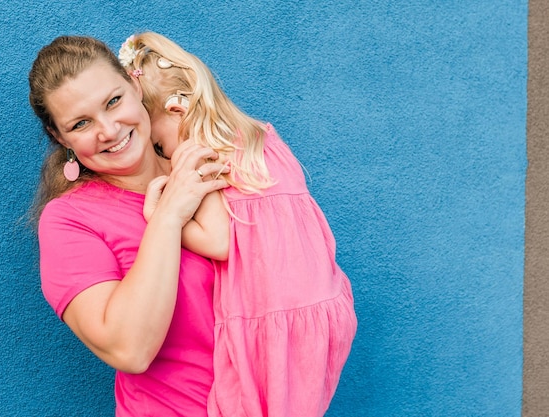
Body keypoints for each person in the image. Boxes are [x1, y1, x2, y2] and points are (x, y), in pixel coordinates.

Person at [118, 32, 358, 417]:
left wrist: (159, 217)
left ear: (178, 111)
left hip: (269, 318)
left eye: (159, 142)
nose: (162, 154)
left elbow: (219, 241)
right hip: (323, 309)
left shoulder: (198, 151)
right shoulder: (260, 136)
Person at [28, 35, 230, 417]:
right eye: (81, 123)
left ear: (135, 85)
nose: (108, 130)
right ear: (60, 138)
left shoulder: (211, 162)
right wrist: (169, 216)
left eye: (113, 101)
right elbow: (129, 349)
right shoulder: (69, 222)